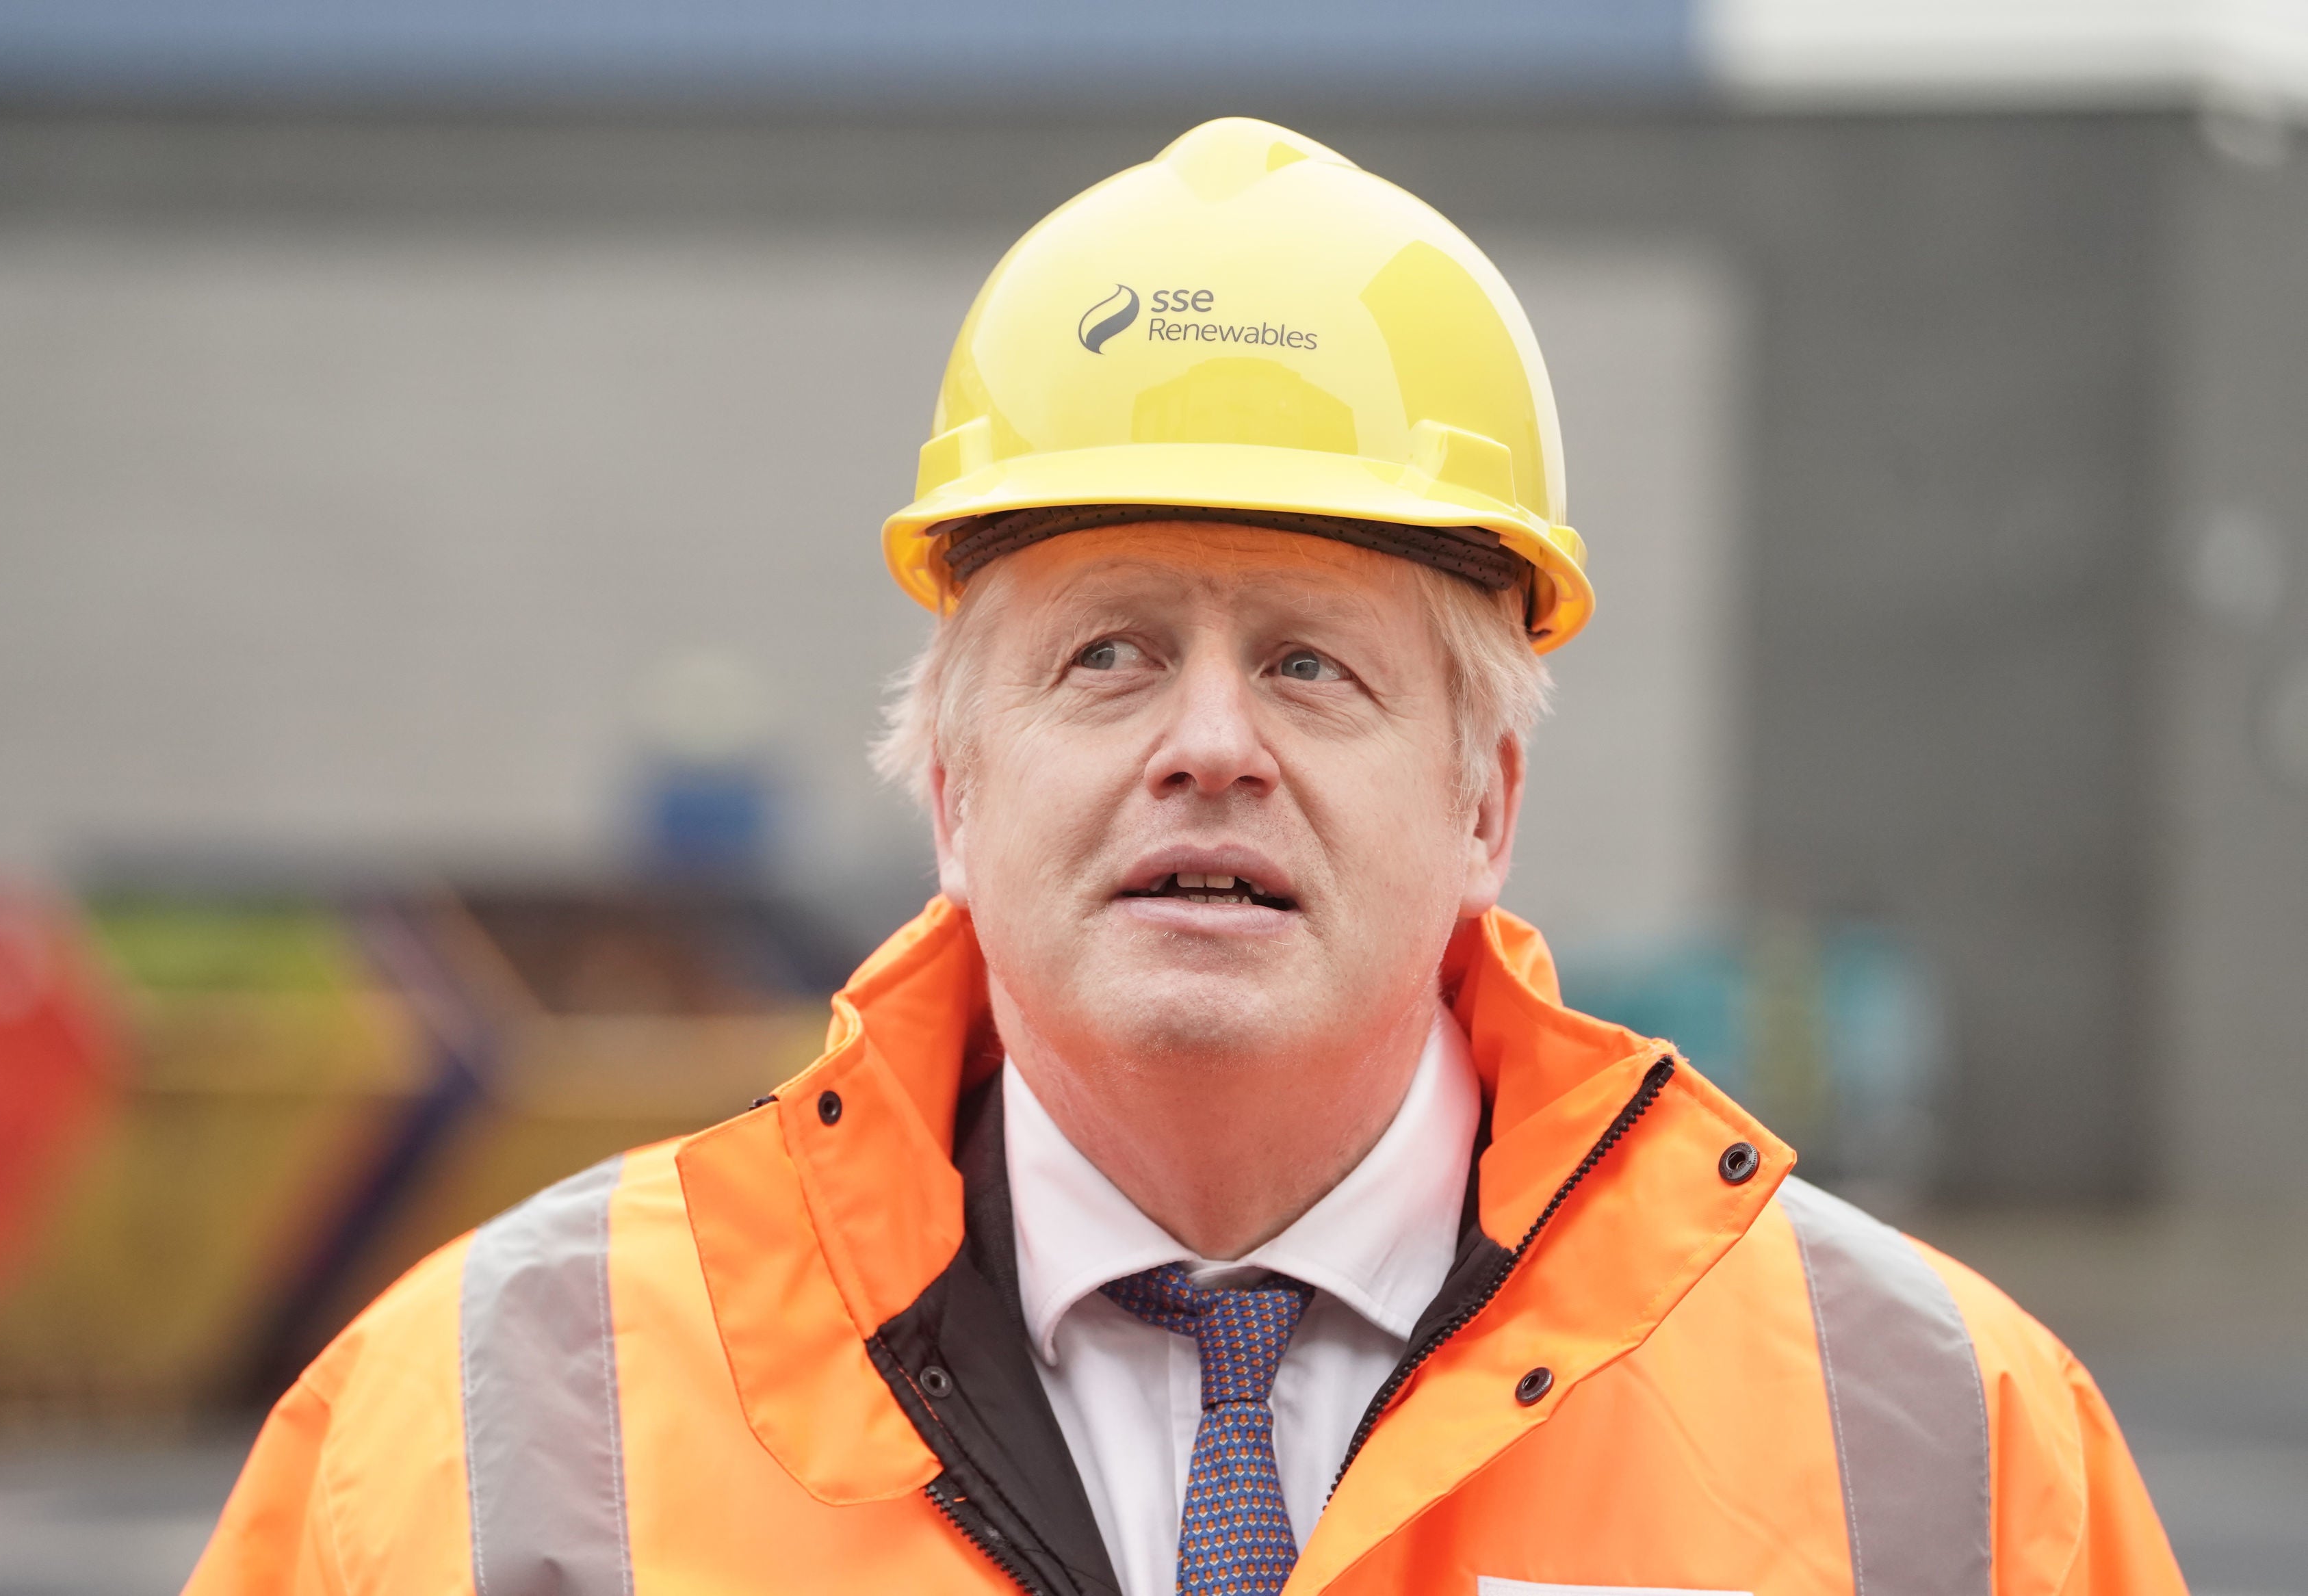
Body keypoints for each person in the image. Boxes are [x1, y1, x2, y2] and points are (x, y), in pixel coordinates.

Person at [187, 117, 2184, 1596]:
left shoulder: (1944, 1446)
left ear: (1484, 800)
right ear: (955, 786)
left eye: (1312, 667)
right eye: (1109, 654)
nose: (1208, 747)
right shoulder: (468, 1438)